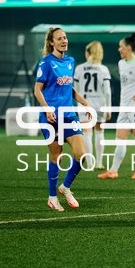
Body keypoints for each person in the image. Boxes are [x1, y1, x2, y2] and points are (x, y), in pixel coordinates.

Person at [34, 27, 92, 211]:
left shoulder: (70, 61)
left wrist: (85, 103)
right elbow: (37, 90)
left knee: (81, 154)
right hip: (50, 118)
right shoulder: (45, 63)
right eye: (59, 38)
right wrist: (47, 109)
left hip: (69, 115)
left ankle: (65, 187)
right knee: (56, 155)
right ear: (51, 42)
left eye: (65, 38)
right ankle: (52, 198)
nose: (64, 41)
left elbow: (69, 88)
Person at [97, 33, 135, 180]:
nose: (119, 49)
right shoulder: (121, 63)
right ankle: (113, 171)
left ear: (129, 48)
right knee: (120, 139)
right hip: (125, 107)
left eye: (121, 46)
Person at [73, 40, 112, 170]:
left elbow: (75, 90)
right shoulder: (103, 69)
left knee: (87, 134)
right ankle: (99, 163)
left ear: (88, 52)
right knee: (100, 133)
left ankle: (89, 164)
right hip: (100, 104)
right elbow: (107, 91)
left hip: (85, 105)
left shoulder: (79, 68)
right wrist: (108, 108)